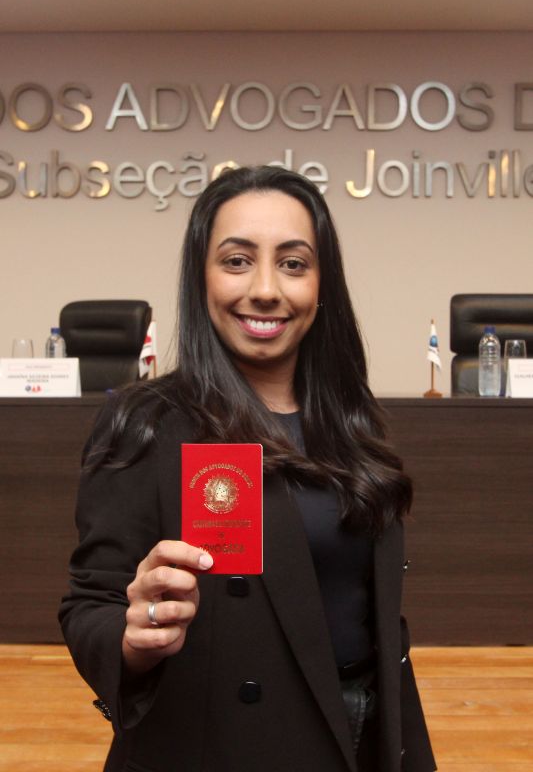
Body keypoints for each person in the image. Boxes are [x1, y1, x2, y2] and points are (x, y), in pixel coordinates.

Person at [59, 166, 436, 772]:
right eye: (236, 261)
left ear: (322, 282)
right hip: (224, 747)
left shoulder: (350, 419)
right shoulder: (146, 422)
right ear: (201, 276)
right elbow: (90, 606)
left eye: (293, 263)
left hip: (367, 732)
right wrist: (135, 638)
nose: (265, 289)